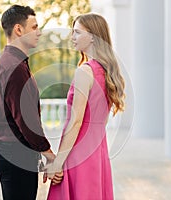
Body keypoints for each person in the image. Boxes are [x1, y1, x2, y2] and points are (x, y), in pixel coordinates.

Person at [44, 13, 126, 200]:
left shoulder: (85, 71)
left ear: (93, 37)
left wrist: (58, 162)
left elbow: (76, 121)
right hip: (98, 151)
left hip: (79, 151)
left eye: (77, 32)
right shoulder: (107, 72)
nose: (72, 37)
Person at [0, 5, 62, 200]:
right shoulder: (14, 67)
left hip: (12, 152)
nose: (38, 32)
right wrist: (50, 155)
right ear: (18, 30)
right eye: (34, 27)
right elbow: (26, 120)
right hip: (15, 155)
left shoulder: (12, 62)